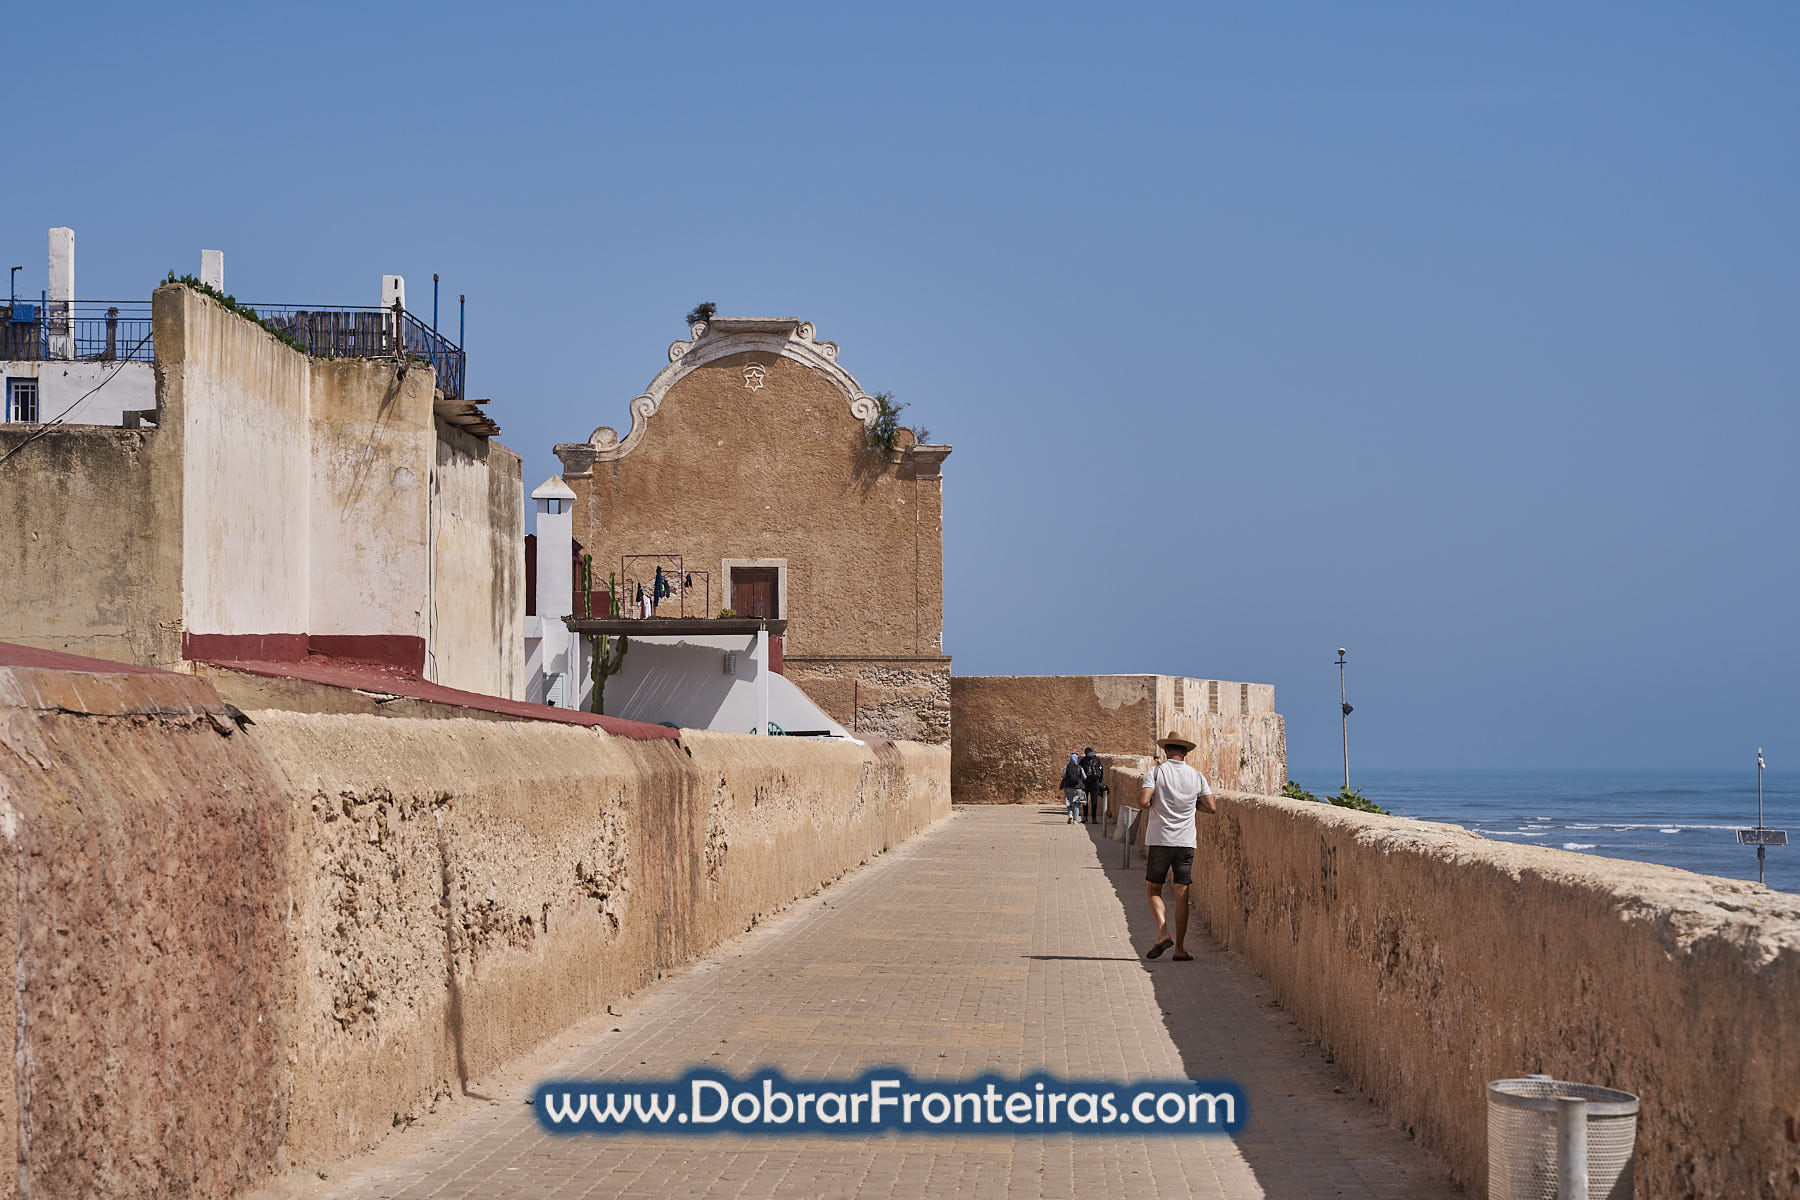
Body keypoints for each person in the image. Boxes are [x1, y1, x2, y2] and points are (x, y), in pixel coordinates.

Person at [1129, 732, 1215, 961]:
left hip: (1160, 840)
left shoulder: (1156, 772)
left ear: (1166, 751)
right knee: (1181, 895)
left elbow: (1144, 802)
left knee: (1154, 890)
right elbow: (1211, 807)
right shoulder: (1197, 776)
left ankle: (1163, 932)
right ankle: (1180, 950)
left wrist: (1159, 802)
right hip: (1186, 842)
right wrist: (1191, 805)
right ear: (1185, 752)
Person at [1079, 746, 1105, 823]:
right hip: (1095, 783)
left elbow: (1079, 771)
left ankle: (1085, 817)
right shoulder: (1097, 760)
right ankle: (1094, 818)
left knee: (1085, 801)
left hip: (1085, 783)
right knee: (1094, 802)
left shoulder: (1083, 761)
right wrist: (1100, 780)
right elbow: (1101, 770)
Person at [1059, 753, 1086, 824]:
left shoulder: (1066, 767)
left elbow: (1063, 776)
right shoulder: (1079, 767)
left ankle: (1070, 814)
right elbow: (1084, 777)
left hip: (1068, 787)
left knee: (1068, 801)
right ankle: (1075, 820)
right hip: (1077, 787)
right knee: (1076, 803)